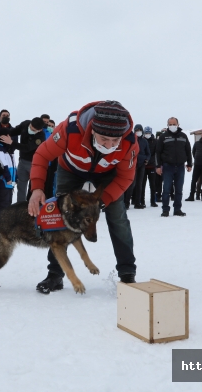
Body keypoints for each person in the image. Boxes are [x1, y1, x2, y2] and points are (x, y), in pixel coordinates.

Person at [28, 100, 139, 293]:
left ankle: (127, 274)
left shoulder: (129, 142)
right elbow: (42, 155)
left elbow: (125, 177)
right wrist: (37, 188)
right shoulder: (70, 129)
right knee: (60, 218)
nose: (110, 145)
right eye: (104, 139)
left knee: (118, 217)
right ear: (92, 130)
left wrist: (102, 202)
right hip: (71, 169)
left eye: (115, 141)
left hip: (108, 174)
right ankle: (55, 274)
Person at [155, 117, 192, 216]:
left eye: (174, 124)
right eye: (170, 124)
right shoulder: (163, 137)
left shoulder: (183, 136)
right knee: (166, 189)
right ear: (167, 125)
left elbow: (188, 151)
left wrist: (189, 164)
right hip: (167, 167)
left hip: (180, 167)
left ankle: (177, 209)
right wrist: (158, 166)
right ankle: (165, 210)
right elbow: (158, 152)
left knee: (179, 190)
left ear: (178, 124)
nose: (172, 126)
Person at [12, 117, 46, 202]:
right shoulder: (25, 124)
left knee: (35, 187)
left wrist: (12, 143)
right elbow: (14, 131)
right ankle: (20, 207)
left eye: (33, 130)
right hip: (22, 162)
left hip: (34, 164)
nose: (31, 130)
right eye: (30, 127)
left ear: (39, 130)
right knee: (21, 186)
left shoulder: (41, 137)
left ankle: (33, 207)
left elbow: (27, 148)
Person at [0, 109, 16, 212]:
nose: (8, 138)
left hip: (10, 182)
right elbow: (3, 165)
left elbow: (13, 165)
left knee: (8, 203)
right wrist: (7, 177)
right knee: (3, 204)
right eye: (3, 115)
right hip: (5, 180)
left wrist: (16, 177)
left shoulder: (9, 151)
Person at [126, 124, 150, 209]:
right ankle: (126, 203)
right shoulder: (132, 140)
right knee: (131, 184)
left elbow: (148, 153)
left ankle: (137, 203)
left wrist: (146, 159)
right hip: (133, 165)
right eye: (137, 130)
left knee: (140, 184)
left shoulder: (144, 141)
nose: (138, 132)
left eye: (140, 130)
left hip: (141, 165)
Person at [185, 130, 202, 202]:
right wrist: (197, 158)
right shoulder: (197, 143)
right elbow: (193, 152)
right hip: (197, 164)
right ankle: (191, 196)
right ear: (201, 134)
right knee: (194, 180)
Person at [142, 126, 158, 207]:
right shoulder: (142, 140)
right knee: (142, 184)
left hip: (152, 165)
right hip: (143, 166)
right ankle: (142, 201)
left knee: (153, 185)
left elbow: (156, 153)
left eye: (149, 133)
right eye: (146, 133)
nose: (147, 134)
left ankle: (153, 201)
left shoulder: (155, 141)